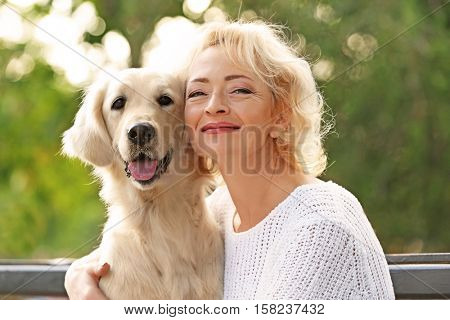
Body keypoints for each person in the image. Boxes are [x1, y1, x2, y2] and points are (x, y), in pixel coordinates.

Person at [64, 20, 395, 300]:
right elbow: (137, 247)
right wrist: (77, 276)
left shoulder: (320, 228)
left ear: (282, 112)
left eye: (240, 90)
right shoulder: (221, 214)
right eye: (197, 93)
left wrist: (90, 303)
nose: (214, 106)